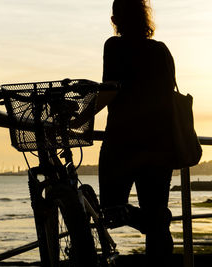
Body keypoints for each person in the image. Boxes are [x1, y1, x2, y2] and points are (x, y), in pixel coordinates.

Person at [96, 0, 176, 266]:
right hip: (160, 144)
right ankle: (156, 220)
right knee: (157, 223)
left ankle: (154, 219)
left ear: (116, 18)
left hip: (123, 141)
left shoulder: (114, 46)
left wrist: (81, 118)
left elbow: (110, 89)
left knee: (110, 210)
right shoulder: (161, 50)